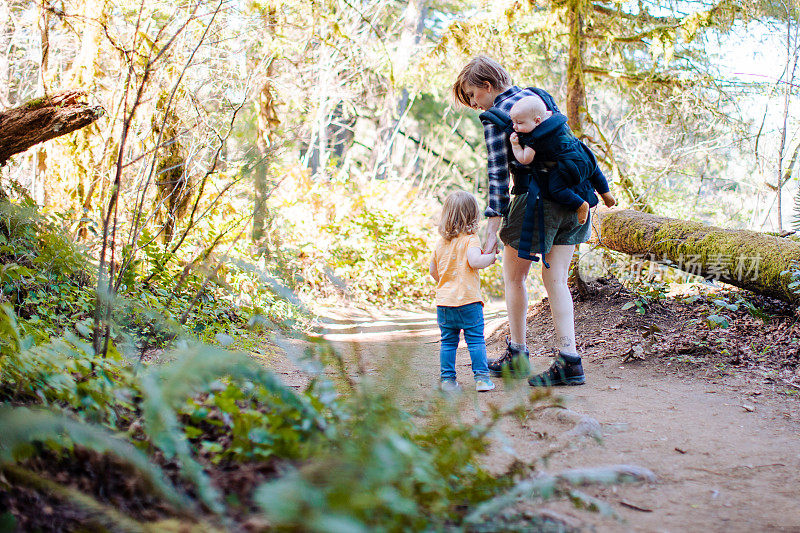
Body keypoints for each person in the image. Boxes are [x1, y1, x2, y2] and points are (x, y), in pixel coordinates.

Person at [452, 55, 599, 386]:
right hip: (578, 199)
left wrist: (492, 226)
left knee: (514, 278)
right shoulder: (539, 98)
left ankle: (517, 355)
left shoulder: (496, 116)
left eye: (474, 96)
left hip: (537, 203)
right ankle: (570, 361)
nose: (476, 105)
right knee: (556, 281)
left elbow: (497, 174)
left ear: (487, 86)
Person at [508, 96, 616, 225]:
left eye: (519, 123)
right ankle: (606, 194)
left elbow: (525, 159)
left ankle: (580, 205)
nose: (514, 127)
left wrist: (515, 145)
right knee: (595, 173)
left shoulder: (535, 137)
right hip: (584, 155)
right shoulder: (556, 119)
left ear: (537, 120)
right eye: (513, 122)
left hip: (566, 165)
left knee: (556, 189)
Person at [429, 190, 497, 392]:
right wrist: (491, 257)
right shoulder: (470, 239)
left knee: (448, 343)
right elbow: (476, 261)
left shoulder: (441, 243)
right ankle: (482, 379)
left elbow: (433, 270)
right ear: (473, 216)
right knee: (475, 341)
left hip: (445, 303)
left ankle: (448, 381)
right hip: (468, 301)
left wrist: (446, 283)